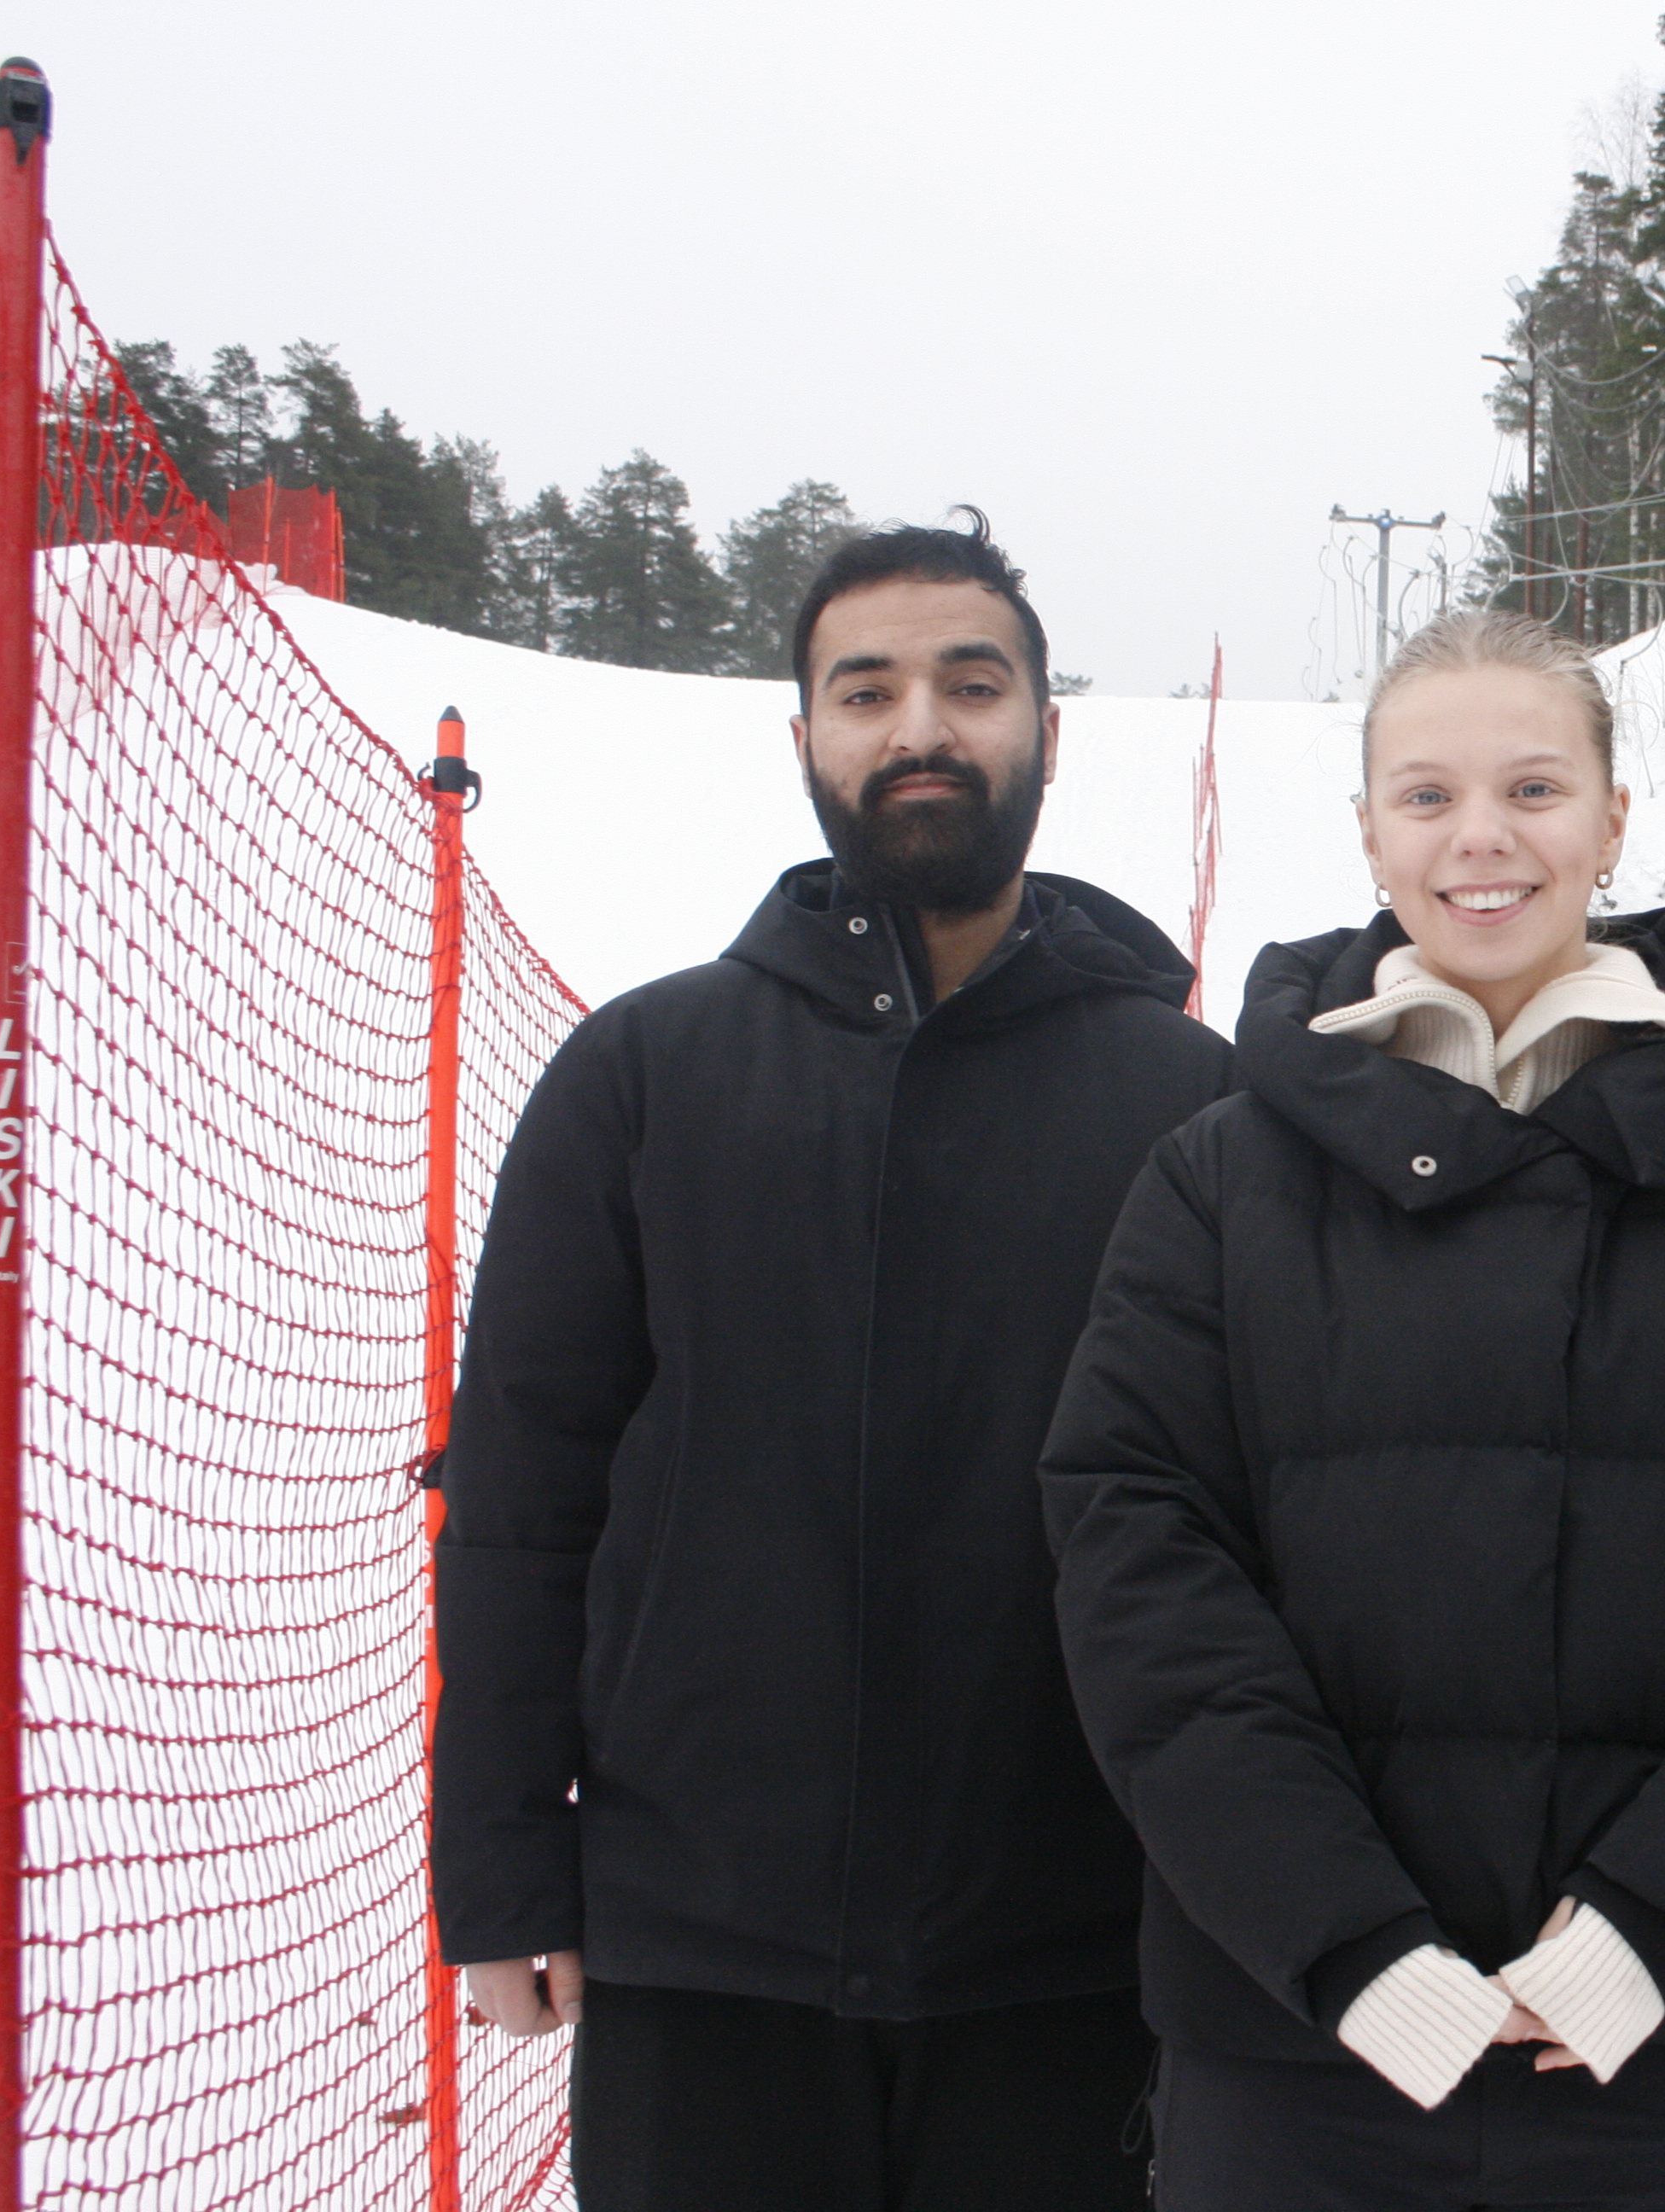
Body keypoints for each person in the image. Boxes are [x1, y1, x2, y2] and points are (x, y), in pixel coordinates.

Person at [1041, 608, 1665, 2212]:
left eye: (1533, 789)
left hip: (1653, 2056)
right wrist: (1345, 1941)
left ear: (1612, 819)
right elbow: (1143, 1570)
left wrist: (1647, 1927)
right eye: (1427, 795)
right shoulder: (1221, 1179)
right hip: (1293, 2053)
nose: (1481, 837)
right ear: (1369, 832)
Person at [432, 515, 1232, 2209]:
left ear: (1047, 730)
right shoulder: (639, 1074)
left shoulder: (1191, 1102)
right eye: (866, 692)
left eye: (971, 685)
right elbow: (521, 1492)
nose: (919, 727)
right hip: (705, 1950)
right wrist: (501, 1864)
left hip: (1076, 1954)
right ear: (804, 736)